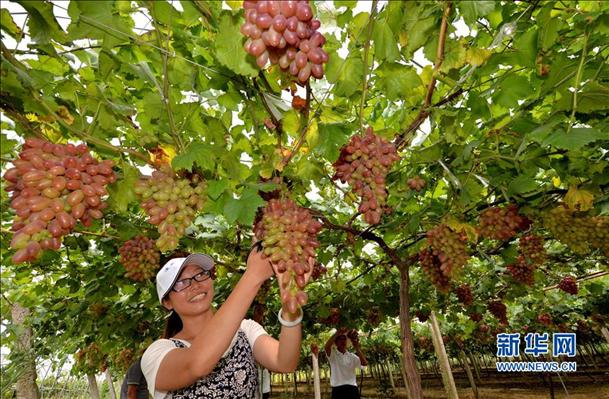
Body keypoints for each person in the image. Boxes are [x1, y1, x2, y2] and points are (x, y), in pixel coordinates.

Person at [141, 249, 308, 399]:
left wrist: (290, 305)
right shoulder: (156, 355)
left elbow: (285, 362)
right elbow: (197, 363)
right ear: (167, 302)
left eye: (200, 274)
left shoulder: (244, 329)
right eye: (181, 282)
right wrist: (253, 276)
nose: (195, 285)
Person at [324, 327, 367, 399]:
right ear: (336, 342)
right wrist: (338, 332)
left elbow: (364, 363)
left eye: (344, 339)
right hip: (338, 390)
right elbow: (327, 346)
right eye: (340, 339)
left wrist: (357, 348)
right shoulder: (333, 354)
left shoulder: (352, 356)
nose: (343, 341)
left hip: (352, 389)